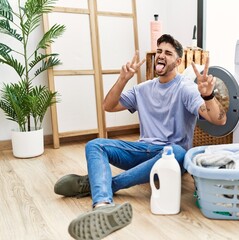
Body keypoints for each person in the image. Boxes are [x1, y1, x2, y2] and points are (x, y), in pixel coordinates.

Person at [54, 34, 227, 240]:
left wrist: (207, 95)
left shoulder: (185, 88)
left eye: (168, 53)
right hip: (141, 151)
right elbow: (108, 106)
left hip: (169, 158)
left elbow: (219, 120)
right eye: (159, 51)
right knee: (95, 145)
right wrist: (123, 79)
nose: (161, 56)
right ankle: (102, 205)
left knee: (180, 152)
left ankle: (104, 183)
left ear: (178, 62)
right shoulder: (143, 89)